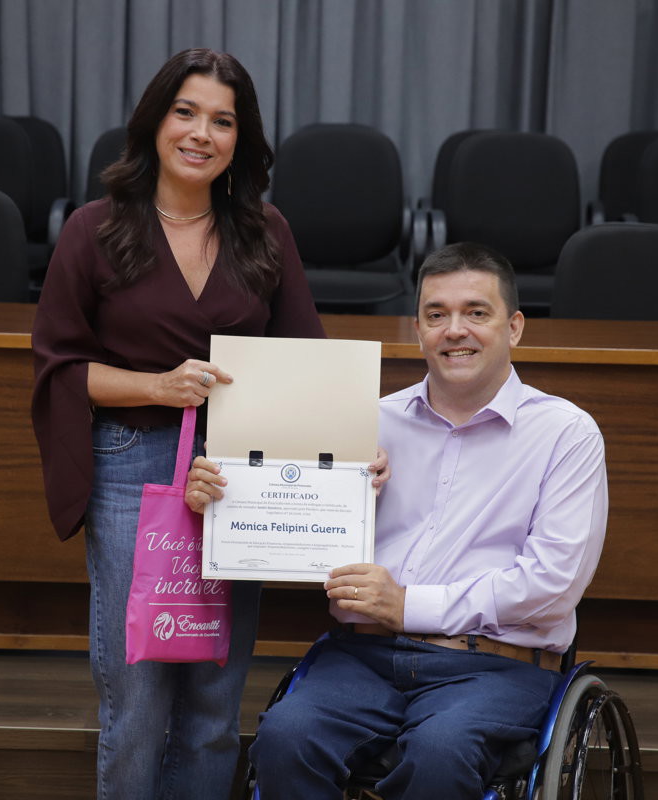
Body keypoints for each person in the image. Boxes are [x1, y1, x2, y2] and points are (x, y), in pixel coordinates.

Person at [31, 48, 385, 800]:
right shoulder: (93, 229)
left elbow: (307, 362)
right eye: (185, 112)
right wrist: (158, 386)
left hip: (237, 479)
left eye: (222, 121)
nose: (201, 133)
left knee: (216, 705)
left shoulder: (265, 230)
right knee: (138, 700)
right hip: (131, 467)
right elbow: (60, 366)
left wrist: (356, 454)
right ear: (155, 121)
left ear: (241, 139)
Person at [239, 242, 609, 798]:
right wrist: (226, 494)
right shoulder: (366, 423)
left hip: (494, 666)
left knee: (442, 750)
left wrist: (408, 604)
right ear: (418, 329)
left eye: (476, 313)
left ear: (514, 328)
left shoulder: (565, 433)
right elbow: (284, 515)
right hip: (363, 656)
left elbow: (552, 587)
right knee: (286, 736)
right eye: (437, 315)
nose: (454, 330)